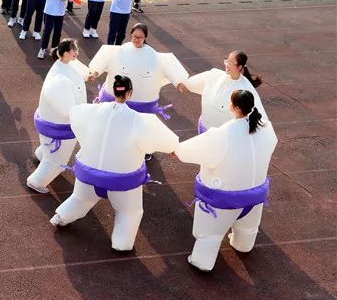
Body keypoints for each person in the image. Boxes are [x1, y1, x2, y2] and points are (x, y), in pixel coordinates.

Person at [50, 75, 179, 251]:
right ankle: (121, 244)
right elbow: (167, 141)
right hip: (121, 180)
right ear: (129, 93)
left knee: (80, 198)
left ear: (113, 90)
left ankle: (60, 217)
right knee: (129, 212)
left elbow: (74, 115)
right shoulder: (139, 120)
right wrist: (172, 148)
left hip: (88, 173)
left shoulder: (90, 110)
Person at [174, 90, 277, 271]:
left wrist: (176, 149)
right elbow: (271, 144)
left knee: (209, 235)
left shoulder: (222, 134)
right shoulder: (266, 127)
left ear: (235, 107)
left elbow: (189, 151)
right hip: (255, 197)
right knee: (247, 229)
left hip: (224, 200)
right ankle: (243, 244)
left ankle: (202, 261)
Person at [89, 23, 188, 139]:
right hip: (116, 98)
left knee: (137, 131)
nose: (137, 39)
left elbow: (168, 66)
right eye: (135, 36)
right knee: (112, 127)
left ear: (145, 37)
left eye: (140, 37)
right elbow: (105, 58)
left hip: (142, 104)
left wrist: (178, 83)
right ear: (131, 35)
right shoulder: (121, 50)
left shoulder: (153, 56)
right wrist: (95, 73)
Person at [27, 39, 89, 192]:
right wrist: (87, 115)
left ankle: (42, 154)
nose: (77, 53)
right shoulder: (59, 80)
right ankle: (36, 182)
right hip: (59, 127)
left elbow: (85, 73)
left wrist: (91, 74)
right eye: (74, 50)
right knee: (57, 162)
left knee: (49, 152)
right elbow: (67, 111)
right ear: (66, 53)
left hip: (55, 123)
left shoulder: (67, 64)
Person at [179, 51, 267, 133]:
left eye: (230, 63)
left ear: (239, 67)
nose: (227, 65)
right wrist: (179, 83)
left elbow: (259, 115)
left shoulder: (244, 89)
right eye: (227, 61)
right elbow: (185, 86)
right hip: (204, 126)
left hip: (221, 134)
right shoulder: (215, 75)